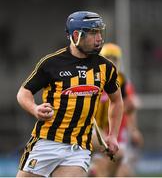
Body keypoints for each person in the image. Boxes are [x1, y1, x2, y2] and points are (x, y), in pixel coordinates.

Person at [16, 11, 123, 177]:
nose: (99, 38)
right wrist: (34, 109)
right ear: (76, 35)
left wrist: (113, 135)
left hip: (78, 148)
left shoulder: (106, 67)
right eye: (93, 33)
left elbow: (117, 101)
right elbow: (24, 92)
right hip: (46, 143)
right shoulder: (51, 63)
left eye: (100, 32)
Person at [89, 43, 143, 177]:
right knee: (109, 161)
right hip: (94, 129)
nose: (111, 62)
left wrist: (134, 130)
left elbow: (130, 108)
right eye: (108, 58)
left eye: (114, 58)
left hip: (116, 134)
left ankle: (92, 170)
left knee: (124, 172)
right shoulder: (92, 79)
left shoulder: (123, 82)